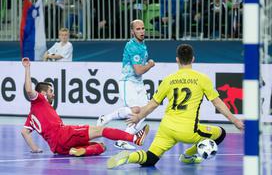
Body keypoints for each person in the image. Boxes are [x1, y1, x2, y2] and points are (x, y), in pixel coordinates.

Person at [107, 44, 244, 168]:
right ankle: (188, 156)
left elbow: (152, 105)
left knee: (151, 158)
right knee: (221, 133)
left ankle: (130, 157)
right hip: (189, 131)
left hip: (166, 128)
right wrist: (235, 121)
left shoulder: (168, 80)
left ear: (177, 60)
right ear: (193, 59)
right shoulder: (202, 79)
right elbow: (218, 103)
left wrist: (138, 117)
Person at [21, 57, 149, 156]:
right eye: (50, 91)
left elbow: (24, 132)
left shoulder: (31, 116)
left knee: (101, 146)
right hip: (63, 134)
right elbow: (28, 90)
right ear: (42, 93)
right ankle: (135, 138)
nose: (53, 95)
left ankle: (80, 151)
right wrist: (27, 68)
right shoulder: (40, 99)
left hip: (57, 148)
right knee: (101, 130)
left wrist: (36, 149)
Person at [96, 19, 155, 150]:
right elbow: (138, 70)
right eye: (138, 29)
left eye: (143, 28)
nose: (141, 31)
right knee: (136, 110)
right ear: (132, 31)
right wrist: (150, 65)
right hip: (128, 81)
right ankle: (106, 117)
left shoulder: (142, 44)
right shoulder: (132, 46)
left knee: (144, 111)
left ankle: (122, 139)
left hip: (139, 83)